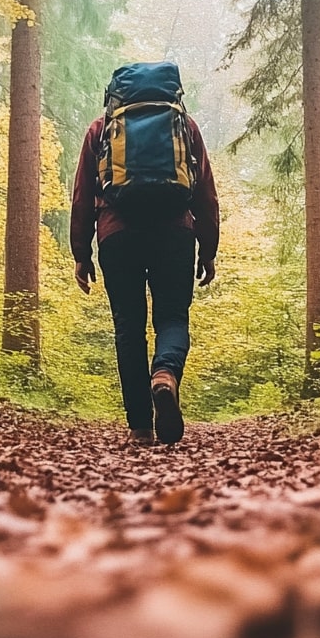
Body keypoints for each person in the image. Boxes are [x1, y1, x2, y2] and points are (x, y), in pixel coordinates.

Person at [69, 84, 220, 446]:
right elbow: (205, 191)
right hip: (175, 232)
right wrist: (208, 249)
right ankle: (165, 374)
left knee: (128, 327)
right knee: (172, 318)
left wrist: (81, 253)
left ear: (114, 97)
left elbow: (82, 195)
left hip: (116, 233)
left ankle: (140, 427)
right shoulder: (185, 126)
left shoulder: (101, 128)